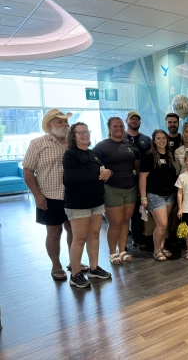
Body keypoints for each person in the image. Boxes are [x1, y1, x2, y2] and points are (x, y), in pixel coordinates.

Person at [23, 109, 76, 281]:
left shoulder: (75, 142)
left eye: (66, 122)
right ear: (49, 125)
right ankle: (56, 265)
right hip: (50, 196)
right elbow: (28, 171)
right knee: (54, 233)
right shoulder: (38, 143)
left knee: (74, 231)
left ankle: (73, 262)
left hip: (74, 196)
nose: (64, 125)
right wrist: (38, 196)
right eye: (59, 122)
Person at [63, 122, 113, 288]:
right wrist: (98, 173)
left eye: (87, 131)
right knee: (80, 238)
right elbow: (71, 179)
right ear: (74, 136)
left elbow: (103, 171)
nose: (85, 134)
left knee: (94, 235)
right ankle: (75, 274)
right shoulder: (70, 155)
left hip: (96, 201)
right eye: (80, 132)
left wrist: (109, 172)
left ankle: (93, 268)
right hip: (78, 204)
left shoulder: (94, 154)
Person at [93, 117, 141, 265]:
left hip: (131, 188)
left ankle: (122, 250)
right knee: (115, 223)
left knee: (126, 220)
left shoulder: (131, 145)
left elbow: (137, 166)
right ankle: (112, 252)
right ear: (109, 128)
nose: (119, 128)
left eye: (121, 126)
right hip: (112, 189)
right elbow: (93, 164)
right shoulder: (102, 146)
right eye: (115, 126)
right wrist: (105, 171)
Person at [139, 129, 177, 262]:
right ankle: (156, 250)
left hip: (169, 194)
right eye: (158, 138)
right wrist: (143, 197)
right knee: (162, 224)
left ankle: (161, 247)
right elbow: (143, 177)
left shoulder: (170, 154)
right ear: (154, 140)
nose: (161, 141)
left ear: (167, 141)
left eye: (164, 138)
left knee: (164, 225)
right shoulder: (149, 155)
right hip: (155, 195)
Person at [125, 110, 152, 249]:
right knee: (124, 212)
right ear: (127, 121)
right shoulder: (120, 137)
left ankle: (137, 238)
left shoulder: (146, 139)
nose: (134, 121)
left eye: (137, 119)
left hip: (142, 179)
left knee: (138, 210)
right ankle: (121, 243)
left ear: (140, 122)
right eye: (131, 119)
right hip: (124, 179)